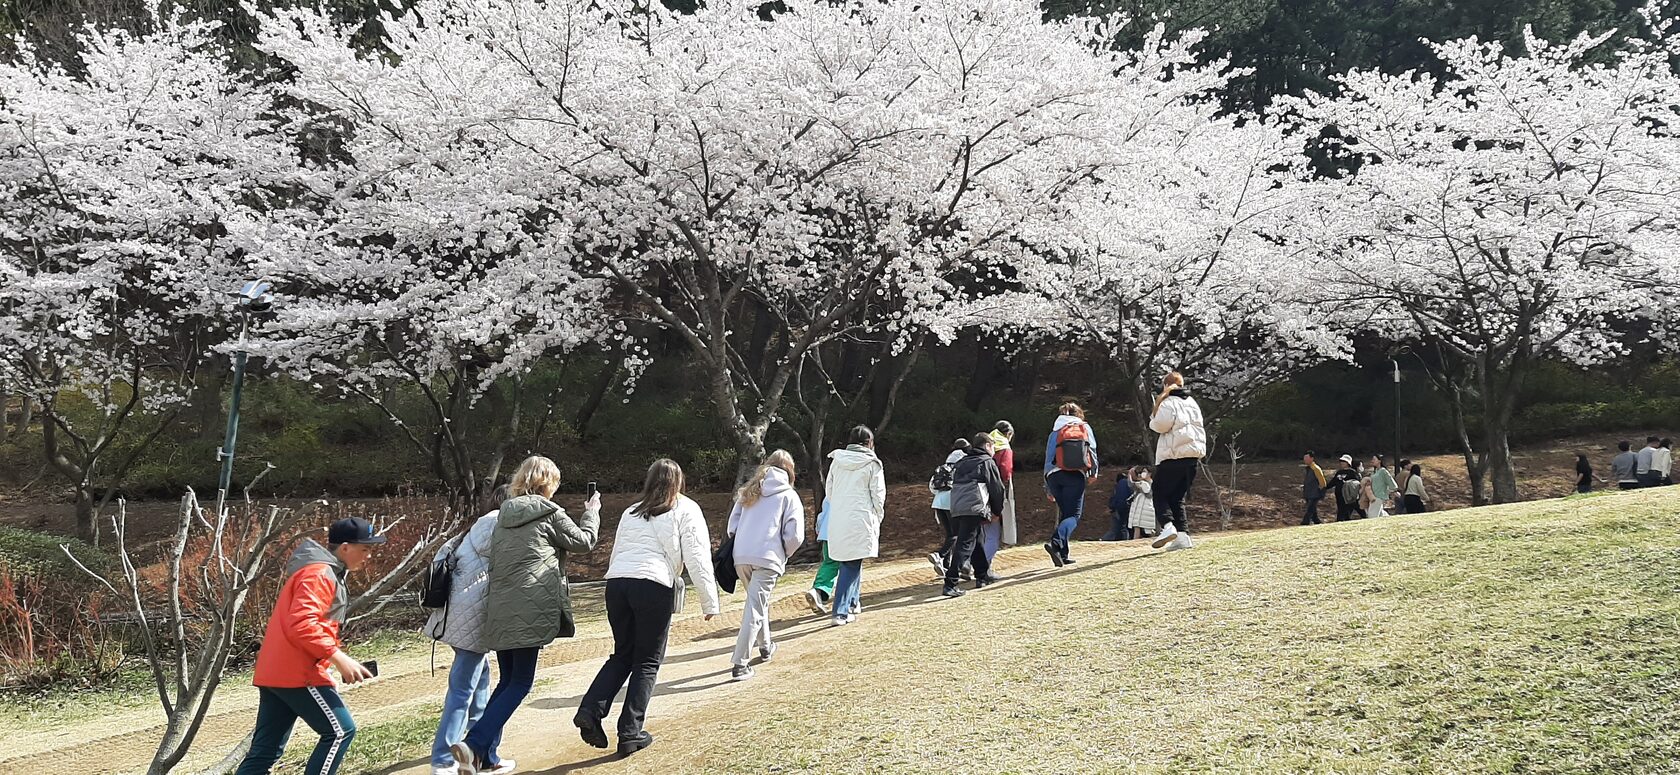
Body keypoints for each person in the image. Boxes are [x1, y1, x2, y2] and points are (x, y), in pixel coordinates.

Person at [453, 456, 600, 774]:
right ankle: (472, 744)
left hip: (501, 608)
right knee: (520, 683)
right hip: (530, 608)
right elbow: (585, 543)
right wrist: (592, 514)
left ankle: (485, 758)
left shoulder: (503, 515)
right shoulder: (550, 513)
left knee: (507, 681)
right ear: (549, 484)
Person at [575, 459, 719, 759]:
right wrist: (710, 601)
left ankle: (590, 710)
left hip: (617, 584)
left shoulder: (632, 510)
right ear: (679, 481)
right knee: (647, 662)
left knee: (623, 654)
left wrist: (616, 580)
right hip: (653, 584)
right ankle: (630, 732)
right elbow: (697, 556)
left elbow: (617, 552)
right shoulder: (686, 508)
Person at [236, 517, 383, 775]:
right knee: (340, 732)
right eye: (365, 549)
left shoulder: (319, 571)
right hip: (298, 673)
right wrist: (337, 657)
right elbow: (302, 624)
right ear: (346, 547)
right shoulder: (319, 574)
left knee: (265, 751)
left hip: (276, 671)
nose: (368, 556)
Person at [425, 486, 511, 775]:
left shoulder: (473, 528)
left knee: (480, 684)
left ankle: (482, 753)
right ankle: (443, 758)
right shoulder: (497, 524)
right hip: (470, 619)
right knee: (462, 690)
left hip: (452, 615)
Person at [726, 451, 805, 681]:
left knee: (757, 603)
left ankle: (766, 646)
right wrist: (784, 553)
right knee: (755, 607)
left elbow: (732, 527)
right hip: (768, 557)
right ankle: (740, 663)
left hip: (741, 556)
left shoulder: (750, 490)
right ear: (790, 471)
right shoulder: (789, 495)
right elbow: (795, 535)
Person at [823, 426, 886, 627]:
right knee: (850, 563)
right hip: (861, 516)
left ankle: (852, 602)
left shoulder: (837, 461)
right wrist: (878, 515)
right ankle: (840, 611)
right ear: (870, 443)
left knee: (851, 559)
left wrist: (841, 507)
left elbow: (830, 491)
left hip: (839, 516)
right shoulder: (872, 463)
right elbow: (878, 495)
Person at [942, 433, 1006, 598]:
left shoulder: (962, 462)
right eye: (992, 446)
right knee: (965, 544)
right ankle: (951, 582)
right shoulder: (986, 462)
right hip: (974, 506)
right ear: (986, 446)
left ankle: (982, 574)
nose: (993, 450)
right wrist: (997, 511)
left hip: (956, 506)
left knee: (975, 539)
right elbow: (997, 488)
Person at [1148, 372, 1205, 551]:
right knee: (1177, 497)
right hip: (1192, 457)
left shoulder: (1169, 402)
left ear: (1166, 385)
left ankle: (1167, 526)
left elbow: (1160, 426)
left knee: (1159, 492)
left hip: (1173, 456)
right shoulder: (1192, 402)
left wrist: (1152, 419)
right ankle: (1183, 535)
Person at [1043, 402, 1099, 566]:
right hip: (1074, 475)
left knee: (1065, 513)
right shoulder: (1083, 428)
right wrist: (1093, 472)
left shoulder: (1055, 431)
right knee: (1074, 515)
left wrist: (1047, 486)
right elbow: (1092, 450)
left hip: (1054, 476)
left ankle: (1063, 554)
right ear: (1079, 414)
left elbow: (1048, 458)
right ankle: (1056, 542)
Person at [926, 439, 970, 578]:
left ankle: (946, 565)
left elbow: (932, 487)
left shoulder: (944, 466)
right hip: (953, 503)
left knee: (950, 534)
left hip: (938, 503)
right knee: (956, 534)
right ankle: (939, 555)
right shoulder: (963, 464)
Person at [984, 421, 1018, 557]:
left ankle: (967, 563)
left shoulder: (986, 443)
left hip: (979, 490)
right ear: (1009, 434)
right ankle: (984, 567)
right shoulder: (1005, 447)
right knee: (994, 528)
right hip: (997, 489)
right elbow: (1005, 471)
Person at [1100, 469, 1133, 541]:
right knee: (1124, 526)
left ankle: (1107, 539)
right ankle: (1124, 539)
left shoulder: (1119, 485)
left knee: (1117, 526)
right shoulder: (1129, 484)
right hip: (1127, 507)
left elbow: (1115, 497)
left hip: (1119, 507)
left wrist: (1111, 507)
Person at [1329, 455, 1362, 521]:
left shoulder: (1352, 472)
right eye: (1341, 461)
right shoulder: (1339, 472)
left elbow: (1357, 483)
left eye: (1344, 461)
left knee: (1348, 510)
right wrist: (1324, 487)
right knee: (1341, 510)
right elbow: (1333, 482)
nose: (1342, 463)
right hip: (1339, 495)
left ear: (1348, 463)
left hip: (1348, 496)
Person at [1127, 467, 1156, 540]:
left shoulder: (1152, 483)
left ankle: (1155, 538)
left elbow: (1148, 493)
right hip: (1139, 506)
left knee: (1148, 529)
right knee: (1137, 525)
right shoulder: (1141, 483)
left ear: (1149, 474)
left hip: (1146, 507)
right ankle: (1135, 540)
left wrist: (1142, 485)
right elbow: (1131, 484)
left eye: (1145, 472)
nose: (1142, 474)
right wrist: (1130, 475)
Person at [1301, 452, 1327, 525]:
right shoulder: (1308, 469)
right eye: (1304, 458)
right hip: (1308, 493)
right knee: (1313, 510)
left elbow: (1322, 482)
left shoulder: (1316, 468)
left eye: (1306, 458)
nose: (1305, 460)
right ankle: (1317, 522)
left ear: (1312, 458)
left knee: (1310, 509)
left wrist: (1320, 491)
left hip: (1315, 493)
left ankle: (1305, 522)